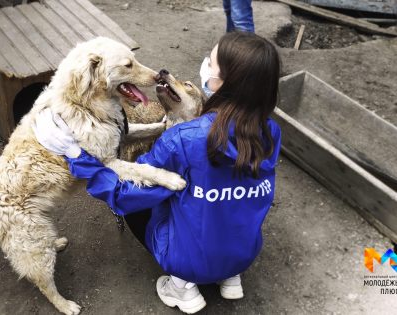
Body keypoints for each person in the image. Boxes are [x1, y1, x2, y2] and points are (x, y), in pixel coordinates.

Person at [33, 32, 281, 314]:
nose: (203, 66)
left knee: (137, 203)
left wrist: (78, 157)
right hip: (244, 254)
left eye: (210, 64)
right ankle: (229, 275)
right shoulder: (271, 131)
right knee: (223, 197)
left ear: (224, 82)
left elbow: (124, 195)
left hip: (190, 262)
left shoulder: (184, 139)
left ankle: (181, 286)